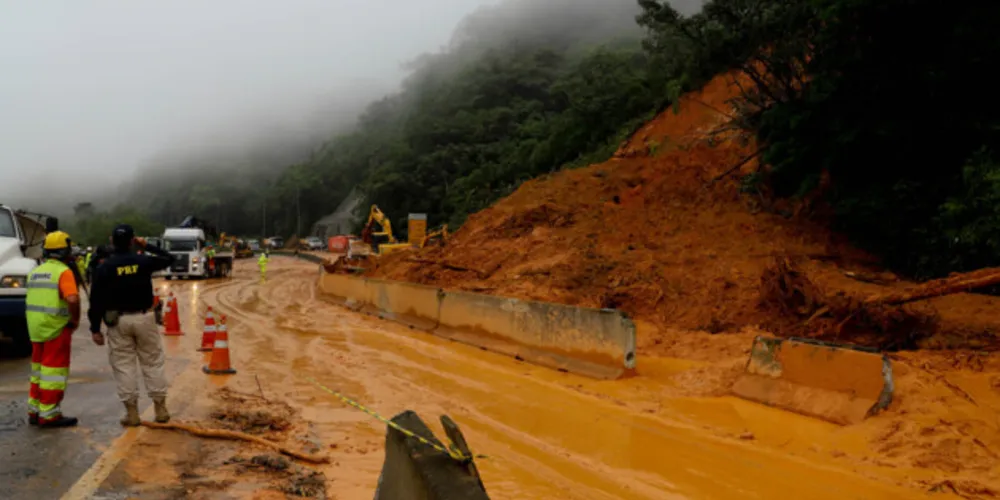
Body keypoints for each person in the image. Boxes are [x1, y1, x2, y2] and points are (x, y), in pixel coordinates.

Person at [88, 224, 175, 426]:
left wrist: (95, 329)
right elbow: (169, 259)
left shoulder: (104, 267)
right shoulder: (143, 261)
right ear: (132, 240)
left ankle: (132, 414)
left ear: (112, 241)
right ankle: (160, 409)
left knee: (124, 366)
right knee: (153, 363)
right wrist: (148, 246)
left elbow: (96, 301)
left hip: (118, 322)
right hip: (145, 318)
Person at [26, 231, 82, 428]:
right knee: (53, 372)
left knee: (38, 371)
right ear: (65, 251)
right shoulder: (63, 272)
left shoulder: (35, 271)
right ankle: (49, 414)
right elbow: (73, 298)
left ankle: (34, 410)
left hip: (36, 327)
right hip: (56, 327)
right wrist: (74, 319)